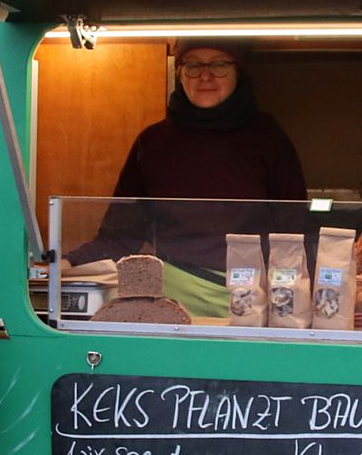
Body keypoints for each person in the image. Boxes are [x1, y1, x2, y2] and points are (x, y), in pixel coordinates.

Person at [65, 40, 307, 317]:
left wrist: (289, 298)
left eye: (219, 65)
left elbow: (292, 231)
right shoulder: (153, 142)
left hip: (254, 296)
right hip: (173, 298)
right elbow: (120, 235)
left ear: (238, 72)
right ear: (179, 73)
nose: (205, 76)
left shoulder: (268, 137)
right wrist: (68, 262)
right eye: (193, 65)